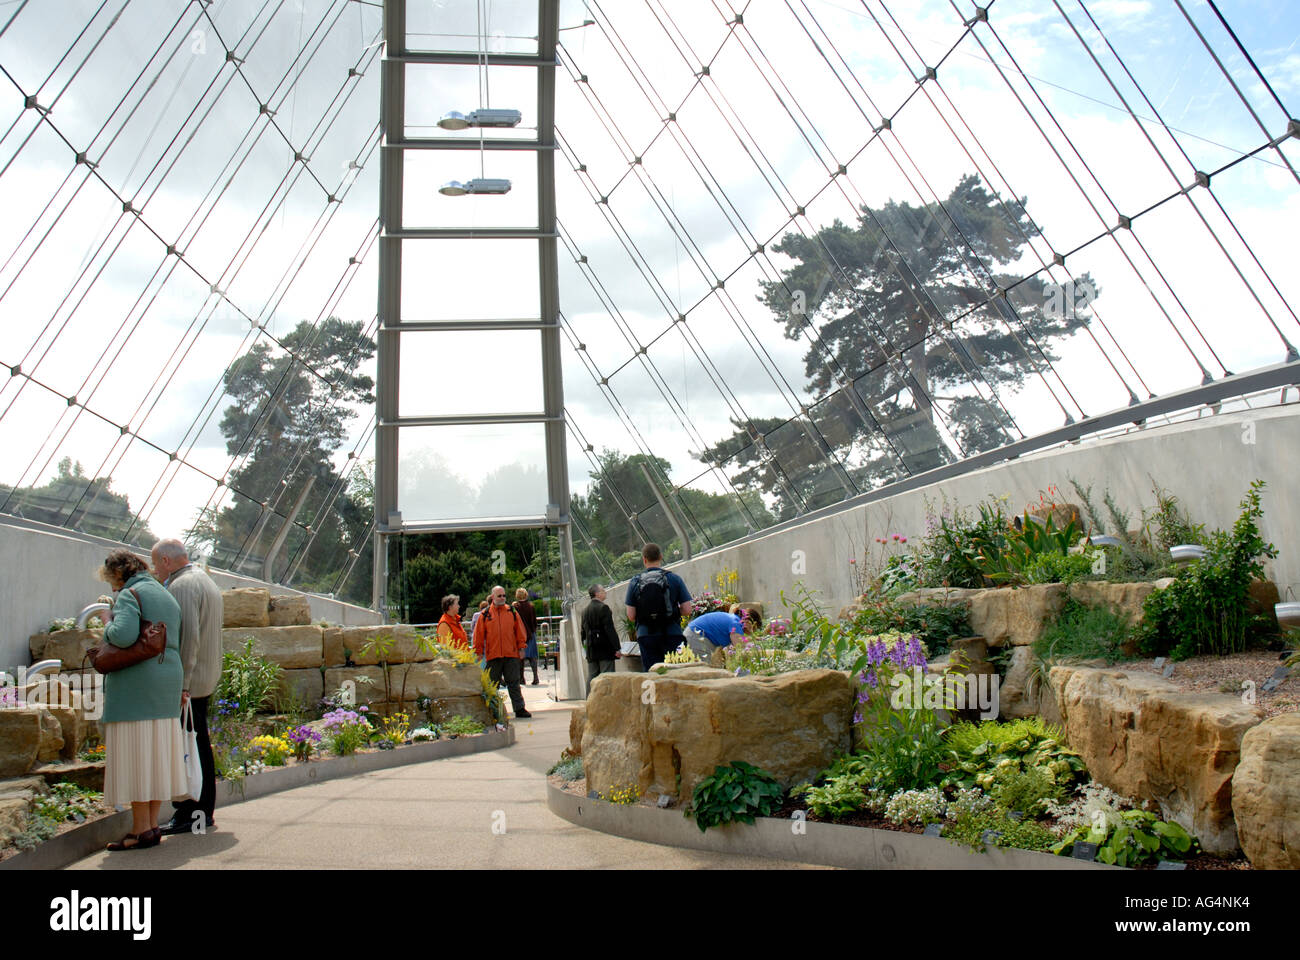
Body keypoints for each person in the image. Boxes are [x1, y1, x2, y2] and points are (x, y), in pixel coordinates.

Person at [96, 549, 188, 851]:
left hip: (137, 688)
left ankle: (139, 830)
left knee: (136, 755)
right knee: (155, 756)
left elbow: (122, 636)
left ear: (118, 573)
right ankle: (150, 827)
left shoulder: (129, 593)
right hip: (166, 680)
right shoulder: (164, 593)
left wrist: (107, 620)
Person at [151, 539, 223, 836]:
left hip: (191, 681)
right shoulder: (204, 580)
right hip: (206, 675)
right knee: (199, 742)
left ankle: (191, 813)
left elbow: (188, 637)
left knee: (188, 745)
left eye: (156, 564)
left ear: (167, 561)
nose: (156, 571)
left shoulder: (182, 586)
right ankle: (201, 813)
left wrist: (182, 683)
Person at [624, 543, 692, 671]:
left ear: (644, 559)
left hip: (646, 636)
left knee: (654, 675)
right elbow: (687, 609)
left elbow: (631, 615)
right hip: (672, 633)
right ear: (661, 557)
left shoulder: (635, 582)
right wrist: (672, 613)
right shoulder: (674, 578)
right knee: (677, 673)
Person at [473, 585, 531, 719]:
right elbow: (479, 635)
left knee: (514, 683)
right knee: (492, 685)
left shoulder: (512, 611)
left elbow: (519, 631)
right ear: (493, 597)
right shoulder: (485, 614)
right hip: (493, 655)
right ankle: (492, 711)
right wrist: (478, 652)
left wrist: (522, 647)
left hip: (511, 654)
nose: (503, 598)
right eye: (499, 596)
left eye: (504, 595)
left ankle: (519, 708)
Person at [580, 584, 621, 694]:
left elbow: (582, 633)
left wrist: (585, 649)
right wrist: (617, 648)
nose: (605, 592)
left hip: (591, 649)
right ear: (597, 594)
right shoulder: (603, 608)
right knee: (607, 676)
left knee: (592, 676)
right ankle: (606, 701)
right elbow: (609, 630)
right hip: (604, 648)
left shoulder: (585, 610)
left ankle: (589, 701)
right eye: (603, 590)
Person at [513, 588, 540, 685]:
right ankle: (535, 677)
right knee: (532, 657)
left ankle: (521, 678)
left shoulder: (515, 606)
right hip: (531, 634)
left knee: (521, 658)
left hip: (520, 634)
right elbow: (534, 621)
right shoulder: (531, 606)